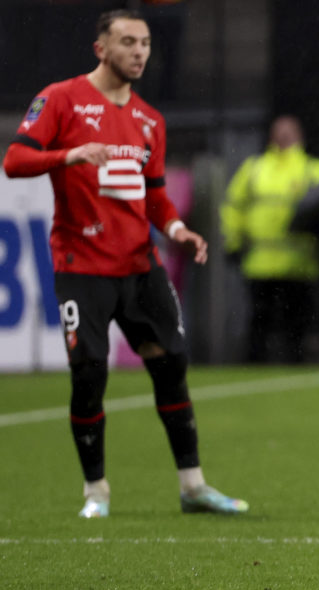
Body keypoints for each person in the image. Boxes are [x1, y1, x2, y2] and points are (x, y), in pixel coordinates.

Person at [2, 9, 248, 518]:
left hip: (140, 267)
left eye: (146, 43)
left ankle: (193, 486)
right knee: (89, 374)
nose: (139, 51)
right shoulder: (61, 99)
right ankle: (96, 492)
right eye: (128, 42)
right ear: (101, 49)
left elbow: (155, 195)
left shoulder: (149, 121)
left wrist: (178, 230)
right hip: (81, 267)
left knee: (171, 365)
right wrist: (68, 155)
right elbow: (16, 160)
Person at [220, 115, 319, 363]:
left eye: (288, 132)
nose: (283, 137)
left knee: (297, 322)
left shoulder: (314, 170)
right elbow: (233, 207)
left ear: (300, 136)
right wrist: (233, 242)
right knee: (259, 320)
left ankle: (295, 363)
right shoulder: (254, 168)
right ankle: (255, 365)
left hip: (299, 263)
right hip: (261, 262)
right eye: (279, 132)